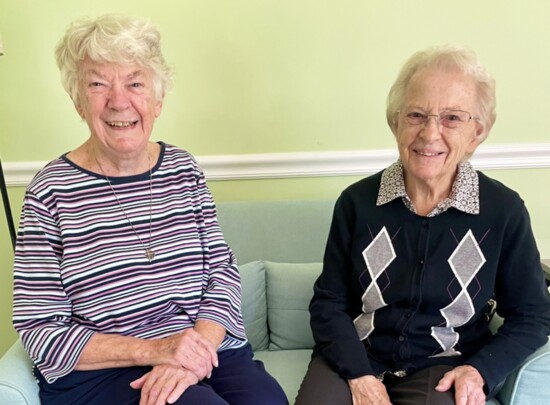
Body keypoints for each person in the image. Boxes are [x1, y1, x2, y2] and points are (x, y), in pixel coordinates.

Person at [12, 14, 287, 405]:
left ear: (157, 101)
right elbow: (39, 327)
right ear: (77, 101)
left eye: (135, 83)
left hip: (201, 348)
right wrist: (157, 350)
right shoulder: (50, 191)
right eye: (97, 84)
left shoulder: (183, 169)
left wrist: (191, 354)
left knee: (268, 401)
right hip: (104, 371)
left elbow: (222, 274)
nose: (118, 101)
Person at [295, 45, 550, 405]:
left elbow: (532, 315)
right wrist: (360, 376)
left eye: (452, 118)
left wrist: (480, 370)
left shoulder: (502, 211)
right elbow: (329, 303)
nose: (430, 134)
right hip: (355, 356)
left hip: (443, 365)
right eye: (416, 115)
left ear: (477, 132)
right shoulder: (357, 202)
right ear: (395, 122)